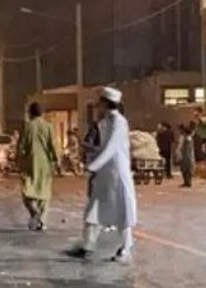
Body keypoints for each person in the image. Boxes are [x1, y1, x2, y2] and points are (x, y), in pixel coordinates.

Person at [67, 87, 137, 263]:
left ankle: (125, 248)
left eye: (100, 103)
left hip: (116, 173)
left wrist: (93, 166)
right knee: (94, 209)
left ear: (106, 104)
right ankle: (87, 246)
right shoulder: (105, 122)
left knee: (122, 212)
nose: (98, 106)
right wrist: (92, 154)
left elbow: (112, 148)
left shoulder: (119, 122)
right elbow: (104, 148)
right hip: (105, 173)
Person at [18, 102, 58, 231]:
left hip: (30, 163)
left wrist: (18, 161)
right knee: (44, 193)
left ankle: (34, 211)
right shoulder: (48, 126)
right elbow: (53, 145)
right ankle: (42, 221)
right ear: (42, 113)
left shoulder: (27, 126)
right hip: (45, 164)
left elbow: (21, 146)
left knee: (27, 192)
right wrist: (57, 161)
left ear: (30, 113)